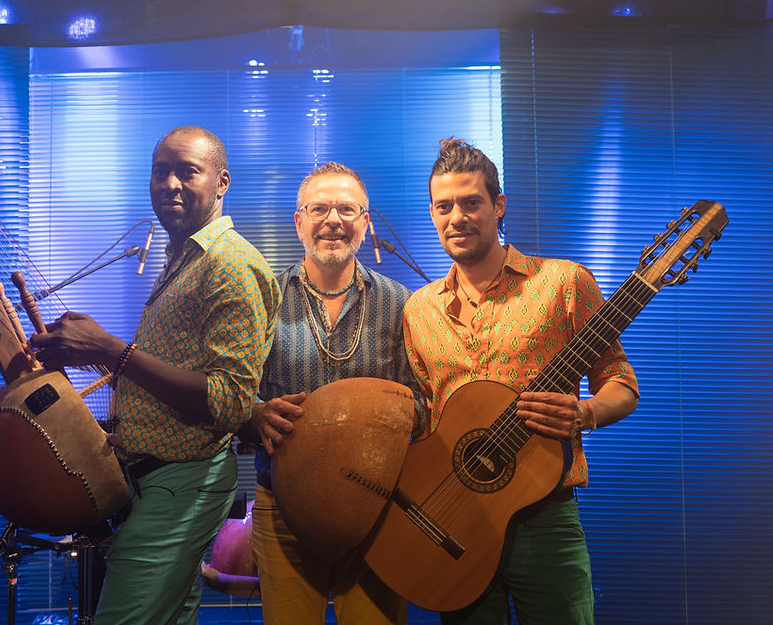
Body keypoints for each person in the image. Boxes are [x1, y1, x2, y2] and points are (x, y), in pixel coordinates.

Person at [30, 126, 281, 625]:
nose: (170, 183)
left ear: (221, 182)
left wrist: (110, 348)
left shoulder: (229, 265)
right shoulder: (183, 259)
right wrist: (95, 360)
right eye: (160, 170)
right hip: (154, 481)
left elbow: (228, 403)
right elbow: (172, 373)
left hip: (183, 485)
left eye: (188, 171)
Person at [402, 138, 639, 624]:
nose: (457, 217)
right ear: (431, 214)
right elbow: (426, 419)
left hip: (545, 516)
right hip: (457, 519)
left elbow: (620, 382)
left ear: (498, 206)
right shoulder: (417, 310)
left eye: (471, 202)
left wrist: (585, 412)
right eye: (443, 206)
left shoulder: (563, 283)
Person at [245, 162, 425, 625]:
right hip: (281, 509)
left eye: (347, 209)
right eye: (319, 207)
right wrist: (255, 414)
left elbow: (423, 403)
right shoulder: (262, 299)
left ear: (366, 222)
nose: (333, 220)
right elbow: (231, 395)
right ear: (298, 221)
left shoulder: (401, 303)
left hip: (377, 512)